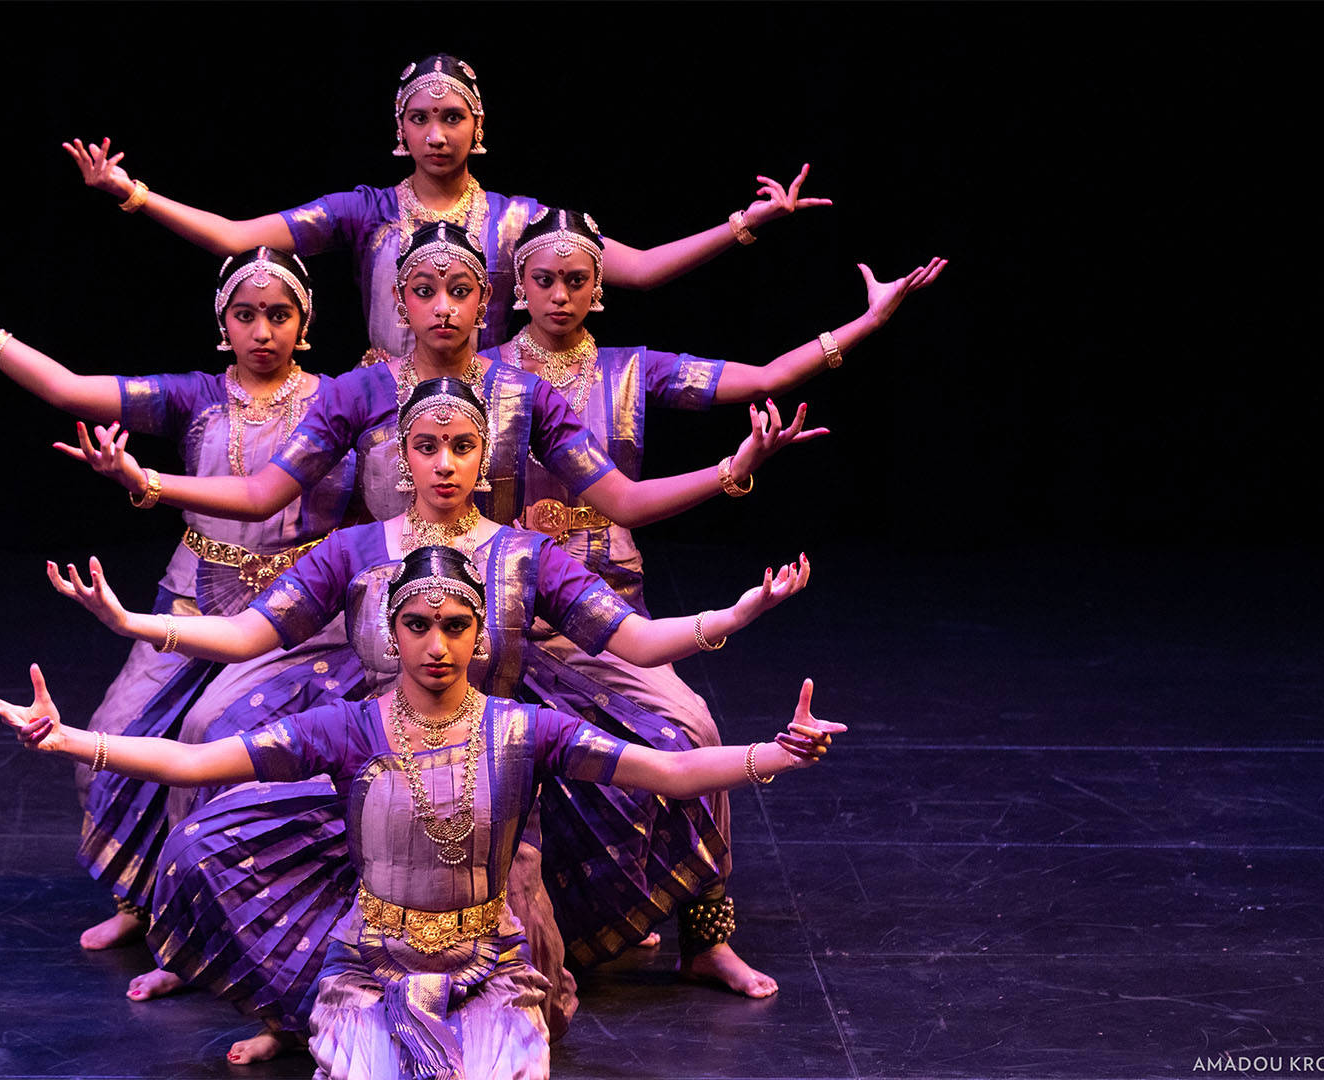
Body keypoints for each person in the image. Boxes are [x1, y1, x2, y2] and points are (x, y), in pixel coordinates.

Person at [47, 376, 811, 1054]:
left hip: (494, 784)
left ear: (486, 457)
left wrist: (738, 614)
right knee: (213, 832)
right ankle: (296, 1011)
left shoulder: (525, 556)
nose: (444, 464)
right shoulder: (353, 551)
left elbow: (638, 641)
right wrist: (134, 625)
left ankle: (682, 941)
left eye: (461, 446)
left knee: (526, 1000)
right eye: (427, 446)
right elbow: (248, 635)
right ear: (399, 456)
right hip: (378, 764)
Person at [0, 544, 845, 1080]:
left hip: (491, 972)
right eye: (419, 625)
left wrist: (775, 752)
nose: (437, 644)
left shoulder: (523, 729)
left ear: (482, 636)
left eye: (456, 625)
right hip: (372, 972)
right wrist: (72, 742)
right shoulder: (347, 731)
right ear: (392, 633)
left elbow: (668, 770)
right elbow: (196, 761)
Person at [478, 207, 948, 994]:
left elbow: (763, 380)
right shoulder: (484, 374)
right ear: (517, 287)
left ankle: (705, 934)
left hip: (607, 610)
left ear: (598, 290)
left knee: (692, 726)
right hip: (503, 611)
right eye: (544, 279)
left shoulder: (631, 370)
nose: (559, 294)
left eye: (576, 279)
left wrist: (865, 324)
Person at [0, 250, 357, 955]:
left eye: (280, 315)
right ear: (223, 324)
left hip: (293, 617)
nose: (264, 330)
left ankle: (204, 922)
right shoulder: (196, 397)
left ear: (305, 323)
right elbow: (71, 391)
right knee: (109, 735)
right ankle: (139, 900)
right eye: (247, 315)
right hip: (193, 597)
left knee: (212, 745)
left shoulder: (338, 403)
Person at [63, 220, 820, 530]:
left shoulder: (525, 392)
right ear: (398, 301)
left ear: (487, 300)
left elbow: (618, 498)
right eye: (424, 292)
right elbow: (264, 494)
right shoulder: (356, 392)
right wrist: (149, 482)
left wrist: (733, 468)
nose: (444, 309)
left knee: (677, 726)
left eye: (461, 291)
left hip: (505, 592)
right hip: (386, 601)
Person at [62, 53, 830, 355]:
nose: (437, 133)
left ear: (478, 128)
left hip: (488, 409)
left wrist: (744, 226)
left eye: (452, 117)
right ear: (399, 132)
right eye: (421, 119)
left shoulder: (518, 221)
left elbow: (639, 271)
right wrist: (131, 193)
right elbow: (234, 234)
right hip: (381, 408)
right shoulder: (363, 212)